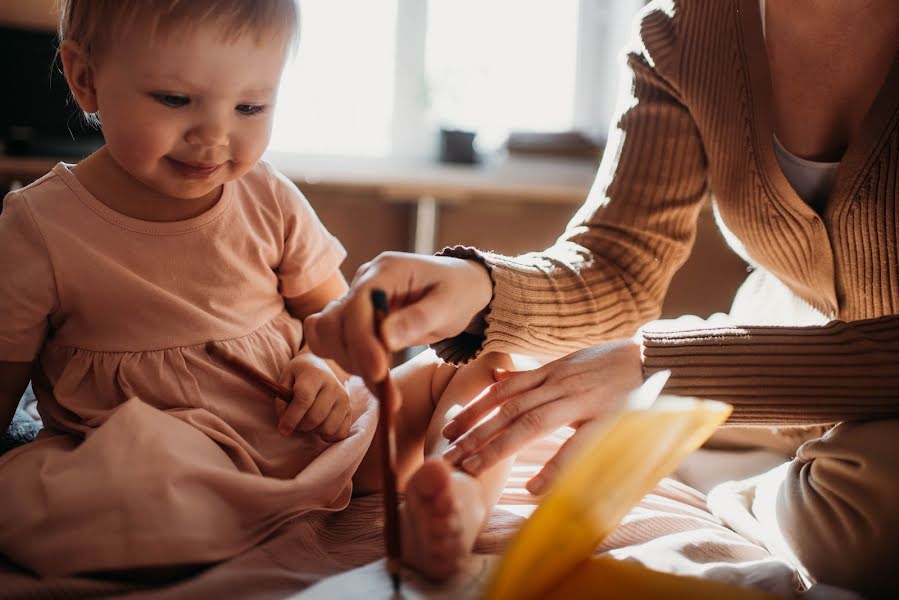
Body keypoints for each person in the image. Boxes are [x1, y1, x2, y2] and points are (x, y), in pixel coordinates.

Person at [305, 0, 899, 595]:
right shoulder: (686, 25)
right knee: (515, 369)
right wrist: (481, 291)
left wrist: (659, 366)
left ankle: (731, 483)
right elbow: (618, 263)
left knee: (863, 527)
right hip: (764, 356)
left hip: (810, 395)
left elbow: (659, 362)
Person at [0, 0, 513, 581]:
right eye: (175, 99)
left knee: (485, 362)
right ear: (84, 77)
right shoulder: (38, 227)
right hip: (172, 464)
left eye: (250, 106)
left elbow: (337, 319)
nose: (215, 135)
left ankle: (460, 497)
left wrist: (322, 366)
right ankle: (208, 523)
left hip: (321, 442)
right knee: (76, 488)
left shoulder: (268, 197)